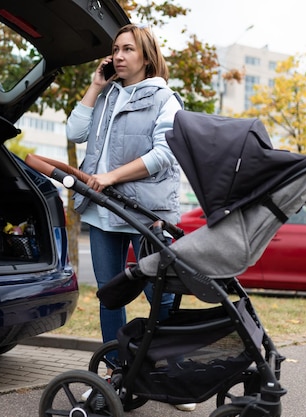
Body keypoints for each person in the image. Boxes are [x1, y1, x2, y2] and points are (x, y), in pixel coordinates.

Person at [66, 24, 195, 412]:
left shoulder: (165, 99)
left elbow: (164, 155)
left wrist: (110, 176)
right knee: (110, 294)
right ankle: (115, 372)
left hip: (146, 212)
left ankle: (171, 370)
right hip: (105, 210)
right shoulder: (107, 95)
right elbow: (74, 132)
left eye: (128, 50)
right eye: (115, 50)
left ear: (146, 56)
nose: (119, 56)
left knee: (161, 292)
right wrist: (95, 86)